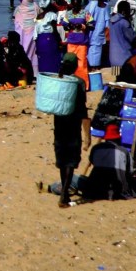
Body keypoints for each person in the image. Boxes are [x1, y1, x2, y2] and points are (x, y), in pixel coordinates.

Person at [48, 124, 136, 201]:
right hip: (119, 191)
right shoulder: (125, 152)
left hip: (96, 189)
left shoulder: (97, 148)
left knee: (74, 178)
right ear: (118, 138)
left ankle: (52, 188)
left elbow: (92, 161)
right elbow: (130, 171)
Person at [50, 54, 90, 207]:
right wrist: (87, 136)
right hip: (73, 126)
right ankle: (64, 195)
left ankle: (65, 193)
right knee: (71, 162)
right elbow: (82, 109)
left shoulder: (56, 81)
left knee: (62, 160)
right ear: (74, 66)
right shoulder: (78, 83)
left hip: (59, 125)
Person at [108, 1, 136, 73]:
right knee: (127, 78)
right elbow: (132, 38)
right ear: (124, 12)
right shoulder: (124, 22)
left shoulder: (111, 21)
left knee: (117, 77)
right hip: (125, 58)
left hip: (113, 57)